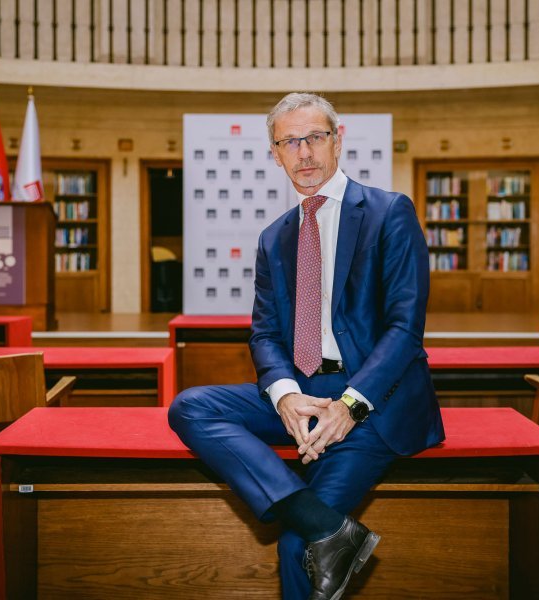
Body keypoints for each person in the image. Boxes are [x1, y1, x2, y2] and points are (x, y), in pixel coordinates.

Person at [169, 92, 445, 600]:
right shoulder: (274, 238)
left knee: (296, 546)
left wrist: (350, 405)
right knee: (191, 407)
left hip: (372, 399)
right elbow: (265, 334)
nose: (304, 153)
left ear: (338, 141)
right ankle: (328, 527)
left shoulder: (388, 212)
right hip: (304, 392)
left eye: (315, 137)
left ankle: (316, 530)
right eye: (289, 142)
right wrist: (285, 395)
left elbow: (405, 329)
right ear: (275, 154)